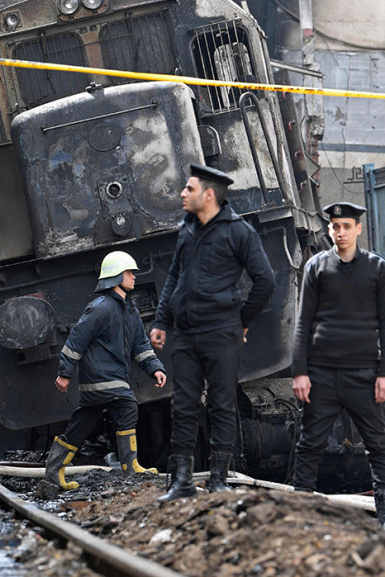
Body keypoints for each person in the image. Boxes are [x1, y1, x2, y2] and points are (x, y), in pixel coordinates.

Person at [150, 163, 275, 502]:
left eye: (188, 189)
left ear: (208, 195)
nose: (181, 193)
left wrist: (243, 320)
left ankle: (219, 480)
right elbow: (174, 276)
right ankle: (182, 482)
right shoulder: (187, 229)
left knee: (221, 405)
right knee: (184, 406)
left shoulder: (239, 232)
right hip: (186, 334)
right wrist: (161, 321)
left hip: (222, 332)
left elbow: (266, 281)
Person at [291, 202, 385, 533]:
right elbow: (303, 322)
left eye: (346, 226)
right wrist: (300, 372)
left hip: (363, 376)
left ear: (358, 229)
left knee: (378, 445)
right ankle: (300, 516)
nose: (340, 232)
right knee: (309, 446)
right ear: (329, 230)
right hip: (321, 375)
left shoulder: (377, 269)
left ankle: (384, 516)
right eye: (335, 226)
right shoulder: (316, 267)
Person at [35, 251, 167, 500]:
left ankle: (53, 473)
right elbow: (76, 340)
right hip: (102, 377)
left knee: (83, 421)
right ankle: (130, 468)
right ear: (115, 277)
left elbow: (141, 346)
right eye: (129, 273)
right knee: (128, 407)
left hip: (111, 378)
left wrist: (155, 368)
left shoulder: (130, 311)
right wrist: (65, 373)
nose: (134, 277)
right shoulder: (100, 308)